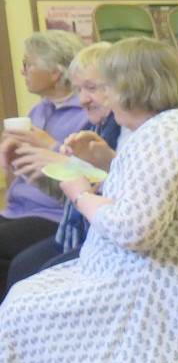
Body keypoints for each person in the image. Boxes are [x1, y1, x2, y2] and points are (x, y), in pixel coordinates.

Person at [0, 37, 178, 363]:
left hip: (157, 287)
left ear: (134, 88)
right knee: (25, 293)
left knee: (22, 308)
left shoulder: (166, 133)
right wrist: (109, 163)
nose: (104, 100)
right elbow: (156, 193)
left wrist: (78, 191)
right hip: (168, 273)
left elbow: (134, 231)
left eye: (106, 88)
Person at [4, 42, 123, 292]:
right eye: (80, 89)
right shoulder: (44, 110)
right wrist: (24, 167)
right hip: (46, 212)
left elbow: (113, 194)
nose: (82, 99)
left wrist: (55, 153)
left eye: (91, 88)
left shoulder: (117, 127)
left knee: (22, 267)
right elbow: (66, 187)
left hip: (63, 221)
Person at [0, 30, 88, 284]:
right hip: (18, 207)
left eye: (28, 63)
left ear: (55, 73)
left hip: (52, 213)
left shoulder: (86, 114)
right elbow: (23, 170)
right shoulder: (38, 109)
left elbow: (95, 173)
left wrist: (51, 145)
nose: (22, 71)